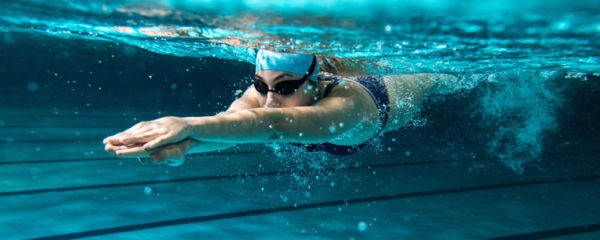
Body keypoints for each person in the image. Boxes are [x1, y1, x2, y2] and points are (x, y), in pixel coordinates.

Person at [104, 49, 452, 166]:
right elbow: (230, 124)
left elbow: (276, 125)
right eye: (260, 85)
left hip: (395, 92)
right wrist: (184, 147)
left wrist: (184, 123)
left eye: (285, 87)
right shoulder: (268, 93)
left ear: (314, 82)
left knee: (441, 76)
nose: (269, 99)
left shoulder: (348, 106)